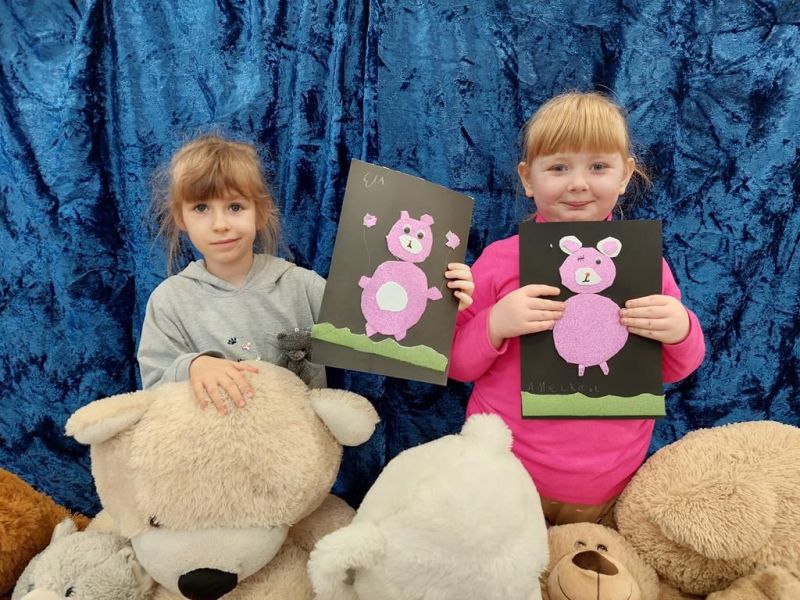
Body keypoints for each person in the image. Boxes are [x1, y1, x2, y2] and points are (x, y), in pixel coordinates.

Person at [449, 92, 705, 526]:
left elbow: (672, 369)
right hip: (504, 475)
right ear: (528, 179)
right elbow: (457, 364)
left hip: (609, 486)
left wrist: (680, 329)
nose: (578, 183)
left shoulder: (645, 265)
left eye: (598, 167)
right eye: (558, 168)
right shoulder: (499, 260)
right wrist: (496, 323)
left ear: (625, 175)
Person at [139, 134, 474, 414]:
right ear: (180, 218)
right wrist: (195, 365)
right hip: (217, 456)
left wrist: (443, 307)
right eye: (201, 208)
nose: (220, 224)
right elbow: (153, 389)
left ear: (260, 212)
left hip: (300, 455)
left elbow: (373, 330)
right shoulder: (170, 300)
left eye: (235, 207)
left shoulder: (300, 285)